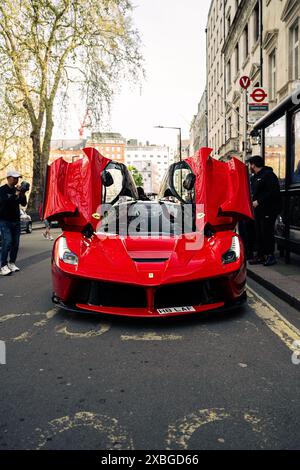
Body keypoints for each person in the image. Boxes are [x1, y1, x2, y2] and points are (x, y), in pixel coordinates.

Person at [247, 155, 281, 266]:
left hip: (268, 210)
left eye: (250, 164)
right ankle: (261, 256)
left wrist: (259, 201)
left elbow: (273, 192)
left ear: (254, 164)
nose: (250, 166)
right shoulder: (254, 177)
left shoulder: (269, 175)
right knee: (259, 232)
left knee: (267, 232)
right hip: (258, 211)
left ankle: (270, 256)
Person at [0, 169, 27, 275]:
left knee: (15, 244)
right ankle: (3, 266)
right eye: (14, 178)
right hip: (4, 220)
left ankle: (11, 263)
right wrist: (16, 193)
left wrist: (23, 193)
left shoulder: (17, 190)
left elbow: (23, 203)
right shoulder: (2, 190)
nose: (16, 180)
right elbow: (5, 203)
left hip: (16, 220)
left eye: (17, 178)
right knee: (7, 242)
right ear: (8, 178)